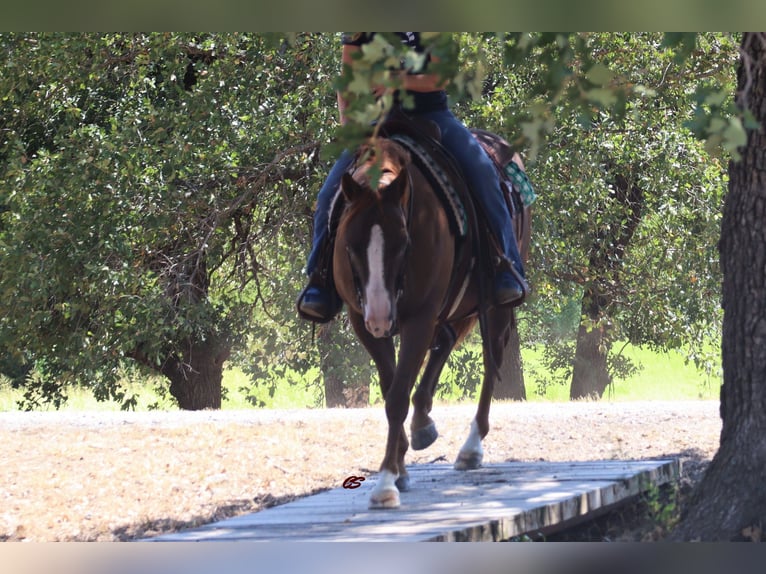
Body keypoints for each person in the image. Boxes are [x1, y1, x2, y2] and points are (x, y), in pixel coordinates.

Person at [297, 32, 527, 322]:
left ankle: (506, 265)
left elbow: (438, 78)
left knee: (482, 172)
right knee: (328, 195)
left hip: (432, 116)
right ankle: (320, 280)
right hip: (375, 121)